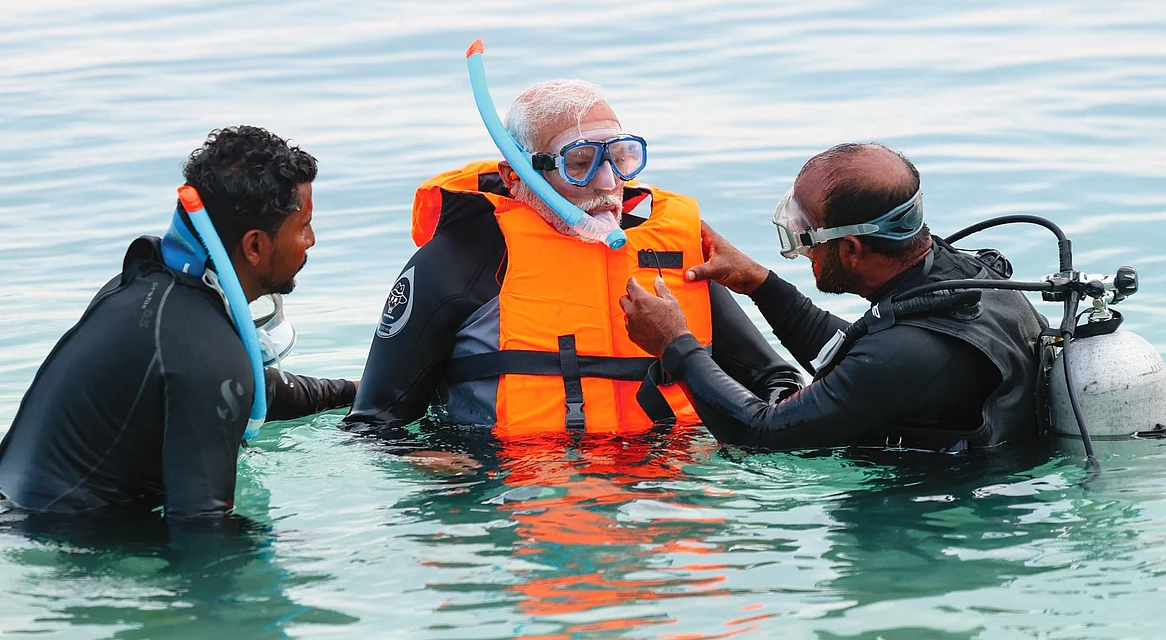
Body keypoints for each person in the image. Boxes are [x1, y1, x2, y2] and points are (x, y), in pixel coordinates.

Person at [346, 79, 801, 438]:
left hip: (664, 490)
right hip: (514, 494)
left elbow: (775, 379)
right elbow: (372, 424)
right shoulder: (458, 261)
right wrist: (442, 467)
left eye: (622, 157)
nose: (608, 182)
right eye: (579, 162)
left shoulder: (669, 254)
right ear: (515, 174)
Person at [0, 126, 357, 528]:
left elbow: (248, 388)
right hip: (58, 542)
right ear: (254, 245)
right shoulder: (207, 351)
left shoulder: (149, 291)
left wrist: (353, 392)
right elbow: (203, 531)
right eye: (303, 225)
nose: (310, 240)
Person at [620, 143, 1047, 453]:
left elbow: (761, 433)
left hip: (935, 521)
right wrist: (758, 283)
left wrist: (674, 344)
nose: (803, 250)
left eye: (806, 236)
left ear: (851, 250)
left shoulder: (906, 354)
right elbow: (858, 357)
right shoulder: (963, 276)